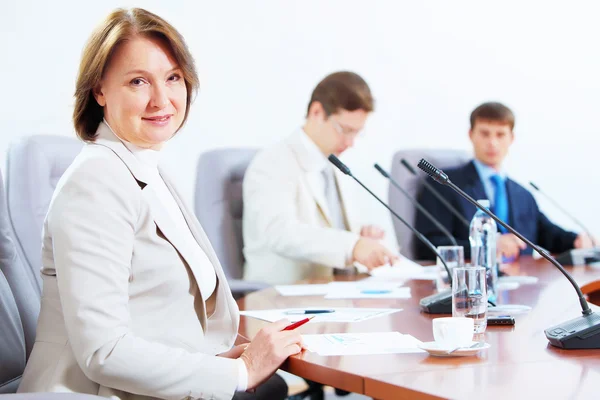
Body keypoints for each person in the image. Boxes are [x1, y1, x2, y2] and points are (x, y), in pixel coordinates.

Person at [17, 8, 299, 400]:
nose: (162, 100)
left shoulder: (147, 169)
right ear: (99, 90)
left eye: (173, 78)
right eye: (138, 81)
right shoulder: (96, 181)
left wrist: (218, 362)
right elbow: (105, 351)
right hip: (98, 392)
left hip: (147, 387)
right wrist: (238, 372)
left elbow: (155, 313)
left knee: (271, 388)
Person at [242, 71, 398, 285]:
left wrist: (361, 236)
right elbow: (280, 232)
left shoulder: (333, 165)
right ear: (317, 112)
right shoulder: (273, 162)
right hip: (280, 299)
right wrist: (351, 245)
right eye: (345, 130)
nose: (351, 142)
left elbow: (328, 228)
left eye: (356, 133)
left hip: (333, 294)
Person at [415, 101, 593, 260]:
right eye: (485, 134)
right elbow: (427, 245)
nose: (492, 142)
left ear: (511, 138)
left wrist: (577, 240)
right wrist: (489, 246)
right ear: (471, 135)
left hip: (523, 285)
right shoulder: (444, 184)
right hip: (472, 285)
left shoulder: (522, 194)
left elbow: (548, 234)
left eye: (500, 135)